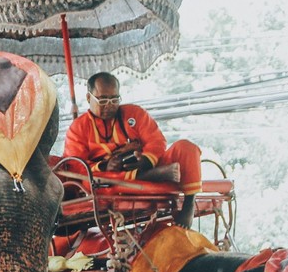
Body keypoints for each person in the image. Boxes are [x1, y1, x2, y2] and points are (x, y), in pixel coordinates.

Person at [61, 72, 202, 226]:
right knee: (91, 183)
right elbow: (76, 167)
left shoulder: (135, 113)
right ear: (89, 98)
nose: (109, 105)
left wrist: (146, 161)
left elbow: (157, 141)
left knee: (186, 148)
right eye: (103, 100)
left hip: (148, 166)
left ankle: (188, 205)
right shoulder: (77, 128)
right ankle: (147, 176)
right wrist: (105, 166)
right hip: (108, 178)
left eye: (114, 99)